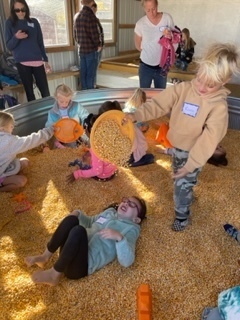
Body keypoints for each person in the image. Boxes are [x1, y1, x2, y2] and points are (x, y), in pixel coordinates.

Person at [124, 43, 240, 231]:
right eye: (200, 79)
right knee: (181, 176)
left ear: (224, 81)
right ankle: (188, 186)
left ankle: (182, 216)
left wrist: (191, 164)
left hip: (194, 152)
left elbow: (209, 140)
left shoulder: (218, 107)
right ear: (199, 69)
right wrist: (136, 115)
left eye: (210, 85)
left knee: (180, 184)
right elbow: (159, 104)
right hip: (177, 146)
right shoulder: (184, 89)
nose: (201, 87)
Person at [24, 196, 147, 286]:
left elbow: (127, 261)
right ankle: (45, 256)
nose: (126, 203)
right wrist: (78, 214)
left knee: (79, 230)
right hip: (68, 253)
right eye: (125, 200)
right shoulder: (110, 212)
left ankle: (54, 274)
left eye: (132, 204)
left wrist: (119, 238)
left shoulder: (131, 228)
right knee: (72, 220)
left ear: (136, 219)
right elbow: (91, 221)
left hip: (81, 266)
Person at [4, 0, 51, 102]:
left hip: (37, 61)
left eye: (23, 9)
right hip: (22, 62)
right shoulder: (9, 23)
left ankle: (50, 115)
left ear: (26, 9)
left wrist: (46, 61)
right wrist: (16, 37)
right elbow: (9, 46)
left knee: (46, 92)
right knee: (30, 94)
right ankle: (35, 117)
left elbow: (40, 42)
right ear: (13, 10)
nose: (21, 12)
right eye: (17, 10)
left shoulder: (34, 22)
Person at [0, 111, 53, 192]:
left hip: (5, 166)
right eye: (11, 127)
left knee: (25, 161)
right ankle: (2, 189)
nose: (12, 129)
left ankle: (9, 176)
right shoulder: (8, 141)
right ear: (2, 129)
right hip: (1, 173)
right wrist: (49, 131)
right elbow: (29, 141)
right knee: (22, 181)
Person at [99, 100, 154, 167]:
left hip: (135, 151)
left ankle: (143, 159)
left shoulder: (126, 127)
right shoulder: (109, 127)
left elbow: (133, 147)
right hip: (124, 151)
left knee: (126, 162)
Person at [66, 113, 118, 183]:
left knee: (80, 163)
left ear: (90, 132)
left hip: (103, 176)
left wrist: (77, 174)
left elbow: (97, 171)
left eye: (85, 132)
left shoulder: (96, 149)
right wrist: (89, 152)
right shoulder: (110, 140)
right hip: (112, 171)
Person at [134, 0, 175, 89]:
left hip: (162, 67)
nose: (151, 13)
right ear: (144, 9)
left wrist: (170, 36)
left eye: (153, 9)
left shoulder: (167, 18)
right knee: (144, 94)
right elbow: (138, 45)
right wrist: (150, 52)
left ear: (157, 5)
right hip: (145, 66)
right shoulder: (140, 24)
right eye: (148, 10)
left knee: (160, 95)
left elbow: (175, 36)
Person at [45, 84, 89, 149]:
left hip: (76, 132)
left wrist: (84, 126)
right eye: (61, 102)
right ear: (56, 98)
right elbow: (48, 127)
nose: (64, 104)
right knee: (55, 143)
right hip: (61, 136)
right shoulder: (52, 113)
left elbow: (85, 116)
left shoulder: (76, 106)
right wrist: (53, 126)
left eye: (67, 102)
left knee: (87, 139)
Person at [74, 0, 102, 90]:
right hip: (91, 50)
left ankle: (84, 94)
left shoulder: (78, 16)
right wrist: (99, 45)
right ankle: (90, 95)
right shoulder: (91, 16)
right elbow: (95, 35)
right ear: (91, 2)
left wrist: (80, 44)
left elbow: (75, 35)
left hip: (81, 50)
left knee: (83, 73)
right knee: (91, 74)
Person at [91, 2, 104, 89]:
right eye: (93, 11)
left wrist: (101, 45)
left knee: (96, 67)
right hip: (93, 49)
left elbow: (100, 33)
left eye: (95, 11)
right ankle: (93, 85)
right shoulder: (88, 20)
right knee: (92, 67)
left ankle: (94, 84)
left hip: (99, 47)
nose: (94, 13)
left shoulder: (96, 20)